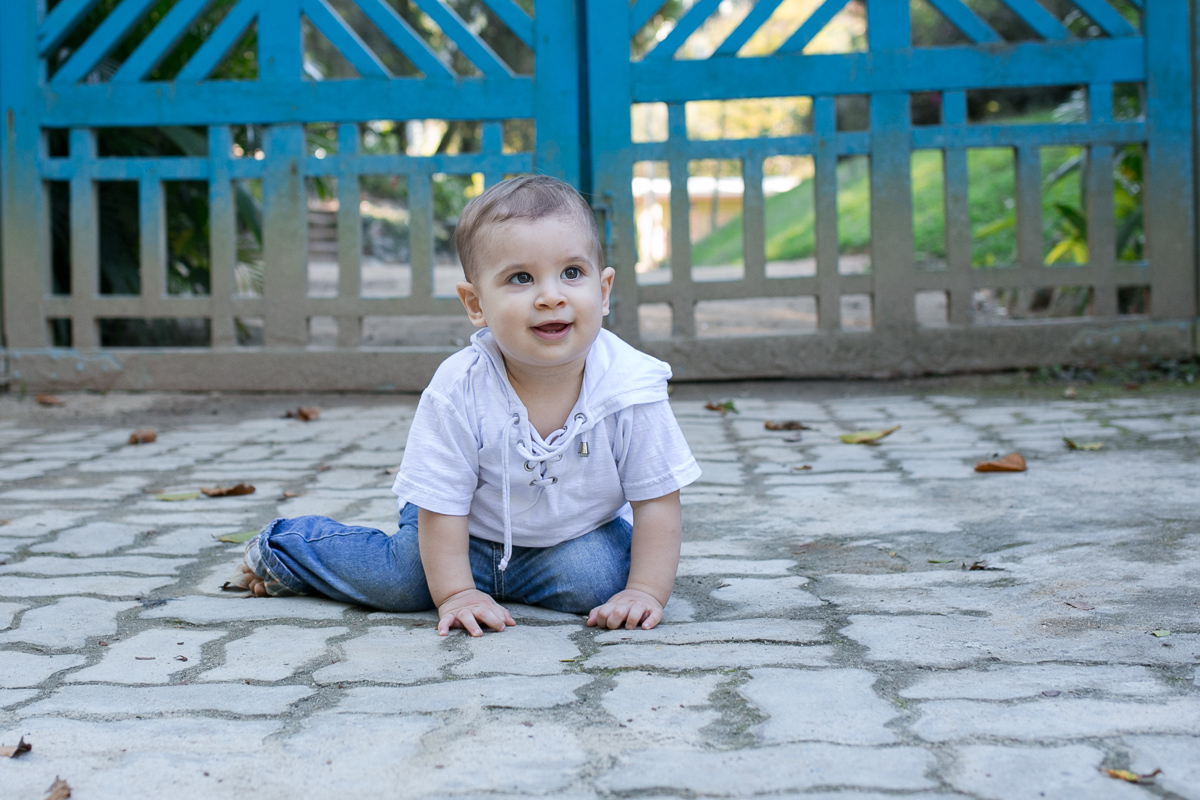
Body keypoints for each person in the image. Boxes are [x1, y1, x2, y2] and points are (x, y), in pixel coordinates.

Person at [228, 175, 700, 636]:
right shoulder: (459, 387)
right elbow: (441, 508)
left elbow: (658, 501)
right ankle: (284, 548)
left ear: (603, 290)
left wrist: (644, 591)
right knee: (404, 582)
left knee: (600, 581)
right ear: (475, 303)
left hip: (565, 532)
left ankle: (503, 582)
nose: (551, 296)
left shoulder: (631, 387)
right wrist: (455, 594)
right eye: (521, 278)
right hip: (455, 527)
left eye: (572, 273)